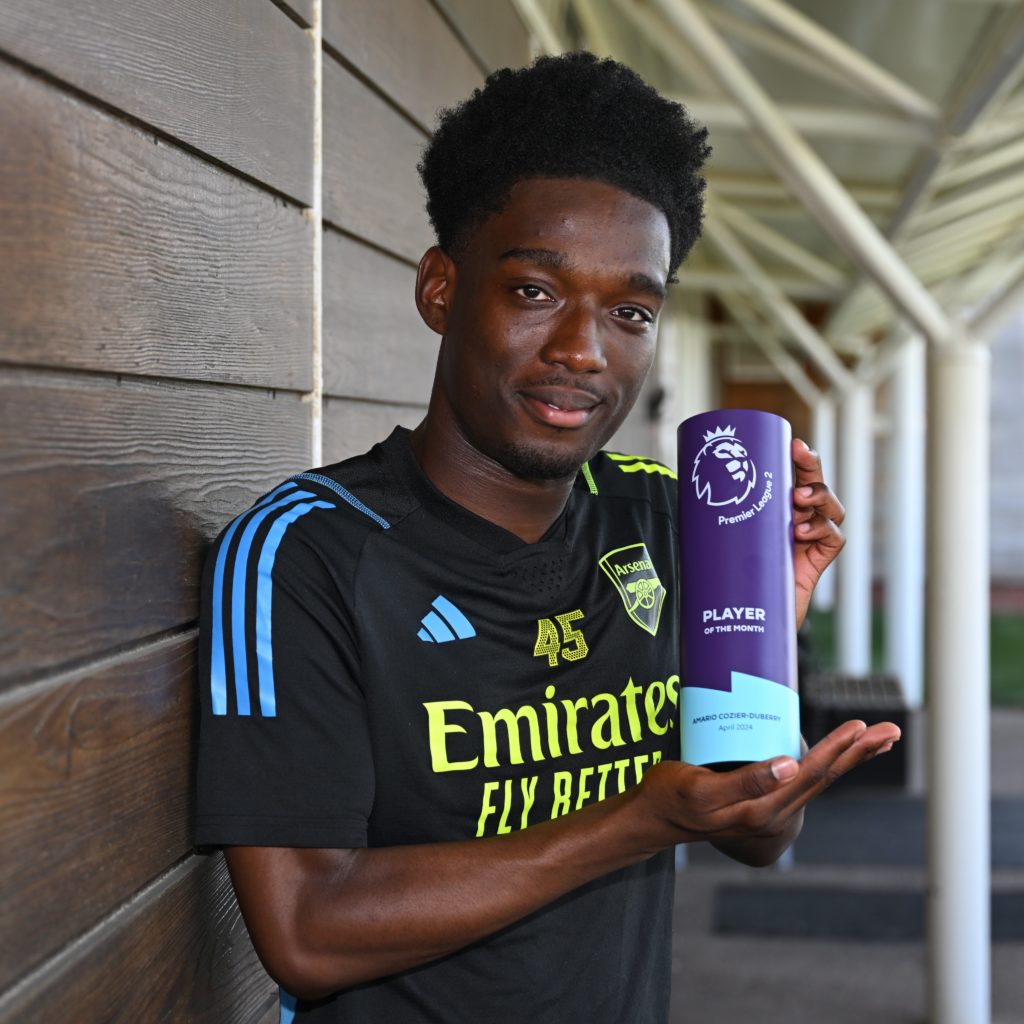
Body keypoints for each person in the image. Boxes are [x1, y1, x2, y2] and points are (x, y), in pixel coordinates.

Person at [195, 52, 899, 1023]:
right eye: (535, 291)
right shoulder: (302, 554)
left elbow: (751, 832)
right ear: (442, 288)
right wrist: (635, 821)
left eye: (630, 311)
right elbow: (308, 931)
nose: (583, 350)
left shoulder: (664, 516)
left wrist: (763, 630)